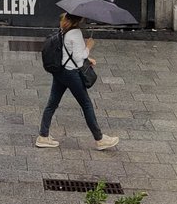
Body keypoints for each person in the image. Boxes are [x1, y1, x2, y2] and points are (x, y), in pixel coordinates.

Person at [36, 13, 119, 150]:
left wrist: (86, 57)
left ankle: (43, 136)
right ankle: (100, 139)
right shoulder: (75, 33)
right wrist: (89, 46)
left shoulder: (64, 30)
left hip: (60, 72)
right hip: (71, 74)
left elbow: (67, 52)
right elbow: (78, 57)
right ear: (79, 19)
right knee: (86, 104)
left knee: (52, 103)